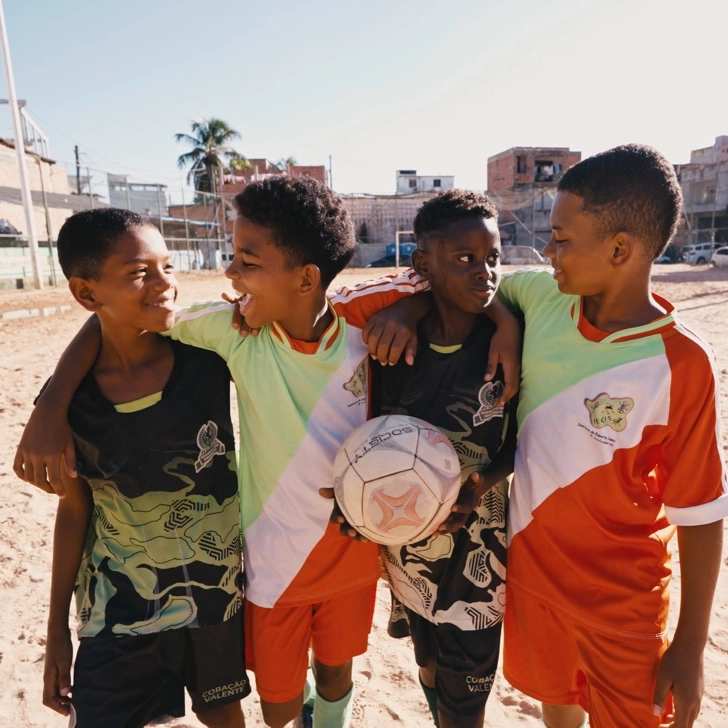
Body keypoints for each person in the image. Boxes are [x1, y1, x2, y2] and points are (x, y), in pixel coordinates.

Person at [15, 176, 520, 728]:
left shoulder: (363, 314)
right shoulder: (233, 332)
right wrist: (52, 400)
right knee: (278, 704)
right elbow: (126, 315)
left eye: (246, 261)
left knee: (336, 674)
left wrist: (471, 317)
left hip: (353, 552)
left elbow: (466, 283)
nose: (231, 276)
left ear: (306, 278)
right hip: (272, 568)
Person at [494, 145, 727, 728]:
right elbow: (500, 291)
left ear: (620, 249)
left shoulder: (682, 363)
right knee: (558, 711)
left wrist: (690, 646)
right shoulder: (545, 297)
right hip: (537, 582)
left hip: (624, 608)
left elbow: (700, 512)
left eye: (562, 239)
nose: (548, 251)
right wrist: (501, 326)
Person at [39, 209, 249, 728]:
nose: (164, 285)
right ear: (88, 294)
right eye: (139, 273)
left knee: (223, 713)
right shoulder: (74, 406)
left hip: (215, 599)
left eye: (168, 267)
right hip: (119, 610)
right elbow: (74, 510)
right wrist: (57, 629)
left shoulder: (207, 356)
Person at [375, 190, 517, 728]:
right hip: (407, 548)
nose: (485, 273)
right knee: (429, 663)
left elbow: (526, 436)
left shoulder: (507, 342)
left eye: (493, 258)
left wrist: (483, 483)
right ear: (422, 263)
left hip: (482, 560)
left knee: (467, 701)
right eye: (464, 259)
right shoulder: (392, 346)